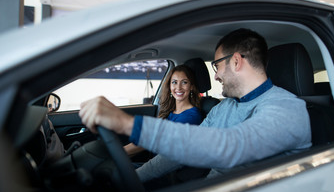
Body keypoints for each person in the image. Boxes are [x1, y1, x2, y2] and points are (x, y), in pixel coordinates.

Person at [79, 28, 311, 180]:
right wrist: (137, 177)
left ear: (236, 61)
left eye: (217, 66)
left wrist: (127, 124)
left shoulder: (287, 109)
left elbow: (231, 147)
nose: (216, 76)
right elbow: (184, 149)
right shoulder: (225, 107)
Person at [124, 64, 202, 158]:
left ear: (191, 86)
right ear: (169, 86)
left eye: (184, 82)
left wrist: (119, 153)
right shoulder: (169, 111)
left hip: (164, 169)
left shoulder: (192, 116)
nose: (178, 87)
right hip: (152, 162)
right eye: (174, 82)